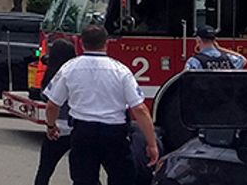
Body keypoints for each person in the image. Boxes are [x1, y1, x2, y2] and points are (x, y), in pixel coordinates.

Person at [44, 25, 159, 185]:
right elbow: (140, 109)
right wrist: (151, 144)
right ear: (107, 43)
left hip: (83, 133)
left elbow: (52, 105)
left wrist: (51, 126)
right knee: (122, 178)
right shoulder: (121, 71)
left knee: (84, 180)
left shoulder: (69, 69)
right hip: (114, 134)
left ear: (81, 42)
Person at [33, 39, 76, 185]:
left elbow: (48, 100)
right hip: (77, 128)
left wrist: (50, 126)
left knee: (45, 170)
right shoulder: (75, 73)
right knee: (82, 172)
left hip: (57, 128)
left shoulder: (55, 74)